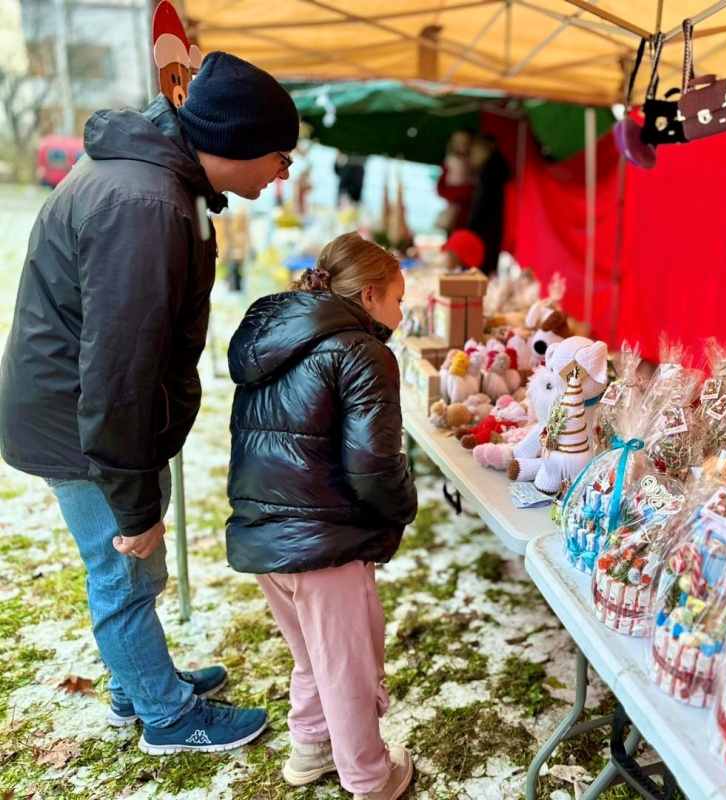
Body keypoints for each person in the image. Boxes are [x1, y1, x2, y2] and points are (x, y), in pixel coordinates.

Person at [0, 52, 299, 754]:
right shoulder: (147, 204)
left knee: (137, 567)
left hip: (88, 412)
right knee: (125, 568)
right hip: (81, 421)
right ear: (236, 142)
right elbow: (118, 376)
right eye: (281, 155)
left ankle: (139, 682)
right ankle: (167, 717)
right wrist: (136, 506)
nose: (284, 171)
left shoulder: (162, 184)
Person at [225, 232, 419, 800]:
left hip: (266, 532)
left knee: (314, 655)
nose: (402, 314)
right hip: (323, 541)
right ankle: (370, 778)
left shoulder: (275, 335)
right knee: (346, 670)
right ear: (371, 295)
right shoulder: (362, 350)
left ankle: (310, 748)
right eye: (400, 300)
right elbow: (373, 465)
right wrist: (403, 505)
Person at [467, 134, 511, 276]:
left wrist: (471, 227)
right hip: (496, 230)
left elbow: (480, 204)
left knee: (480, 271)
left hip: (483, 230)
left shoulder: (487, 173)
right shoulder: (499, 171)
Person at [435, 129, 474, 235]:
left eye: (465, 143)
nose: (461, 146)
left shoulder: (473, 164)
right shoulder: (448, 162)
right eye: (458, 143)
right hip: (453, 211)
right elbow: (440, 189)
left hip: (468, 214)